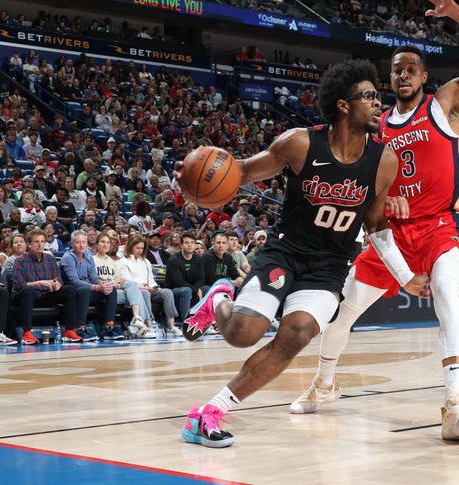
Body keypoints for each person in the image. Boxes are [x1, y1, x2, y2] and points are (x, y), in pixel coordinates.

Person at [290, 0, 459, 442]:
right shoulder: (375, 129)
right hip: (389, 236)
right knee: (343, 311)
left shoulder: (446, 103)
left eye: (412, 67)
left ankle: (455, 402)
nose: (403, 73)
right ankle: (323, 385)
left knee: (448, 293)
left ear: (424, 77)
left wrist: (455, 13)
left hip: (440, 226)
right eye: (396, 68)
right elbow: (364, 198)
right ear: (388, 79)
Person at [178, 58, 428, 449]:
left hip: (328, 267)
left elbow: (376, 226)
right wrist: (197, 172)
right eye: (369, 96)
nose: (379, 103)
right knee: (243, 335)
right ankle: (220, 299)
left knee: (297, 333)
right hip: (286, 253)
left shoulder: (384, 160)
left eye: (378, 96)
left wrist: (404, 276)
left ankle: (209, 412)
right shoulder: (299, 143)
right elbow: (239, 171)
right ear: (344, 105)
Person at [12, 228, 80, 345]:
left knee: (69, 289)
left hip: (46, 295)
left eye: (42, 241)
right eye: (36, 242)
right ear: (29, 244)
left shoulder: (50, 259)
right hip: (27, 297)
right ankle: (27, 333)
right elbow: (18, 285)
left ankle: (69, 330)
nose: (39, 244)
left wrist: (57, 284)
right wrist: (40, 282)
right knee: (28, 290)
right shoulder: (20, 261)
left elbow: (58, 279)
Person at [117, 234, 182, 337]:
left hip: (148, 288)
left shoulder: (146, 261)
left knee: (167, 292)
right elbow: (128, 282)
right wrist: (144, 287)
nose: (140, 250)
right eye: (137, 248)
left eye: (142, 248)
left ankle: (171, 327)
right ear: (130, 247)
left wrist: (154, 288)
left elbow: (151, 279)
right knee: (145, 293)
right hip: (138, 291)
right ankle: (149, 326)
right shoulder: (122, 262)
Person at [60, 230, 118, 342]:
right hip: (71, 291)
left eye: (84, 242)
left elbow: (94, 279)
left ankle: (108, 326)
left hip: (87, 289)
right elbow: (74, 281)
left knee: (111, 290)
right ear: (72, 244)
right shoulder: (68, 257)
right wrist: (97, 287)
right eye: (78, 242)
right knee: (85, 289)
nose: (81, 245)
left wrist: (103, 285)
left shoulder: (88, 256)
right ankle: (80, 328)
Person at [93, 232, 151, 339]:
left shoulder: (112, 261)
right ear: (96, 245)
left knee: (132, 285)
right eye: (102, 242)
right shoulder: (92, 260)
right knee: (138, 293)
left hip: (115, 290)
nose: (105, 244)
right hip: (102, 292)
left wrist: (119, 282)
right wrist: (109, 284)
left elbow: (116, 279)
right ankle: (146, 325)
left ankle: (137, 318)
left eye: (107, 242)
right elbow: (92, 280)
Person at [165, 232, 205, 321]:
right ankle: (186, 322)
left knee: (206, 289)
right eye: (186, 243)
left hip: (191, 288)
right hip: (173, 291)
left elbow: (201, 278)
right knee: (187, 290)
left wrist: (197, 288)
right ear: (181, 245)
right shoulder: (174, 260)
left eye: (192, 242)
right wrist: (195, 289)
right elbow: (179, 282)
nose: (190, 245)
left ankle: (205, 320)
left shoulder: (198, 259)